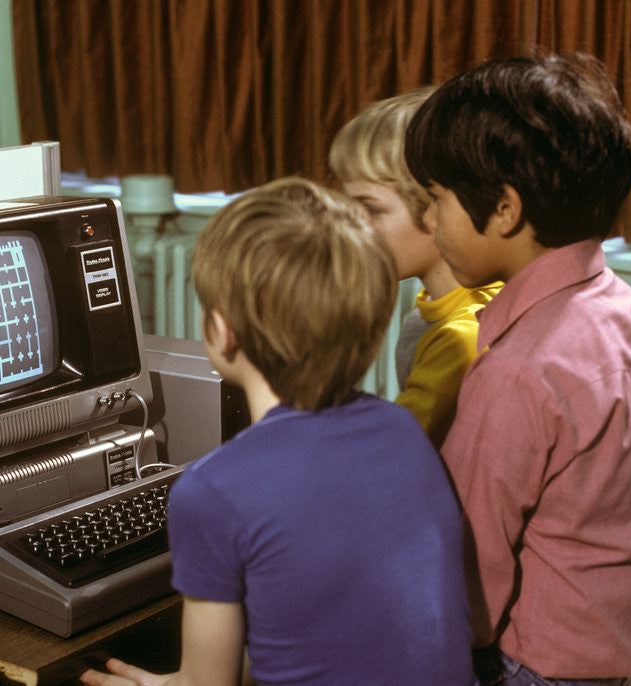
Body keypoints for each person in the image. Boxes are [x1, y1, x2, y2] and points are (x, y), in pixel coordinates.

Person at [80, 177, 476, 686]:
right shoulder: (402, 430)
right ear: (376, 327)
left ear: (222, 331)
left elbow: (209, 684)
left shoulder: (212, 491)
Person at [404, 53, 631, 685]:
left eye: (437, 200)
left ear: (503, 209)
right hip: (623, 639)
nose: (428, 222)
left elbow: (472, 570)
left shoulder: (515, 370)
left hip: (540, 661)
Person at [329, 89, 500, 448]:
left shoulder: (463, 336)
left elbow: (387, 450)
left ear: (436, 207)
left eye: (371, 208)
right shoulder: (434, 305)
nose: (353, 225)